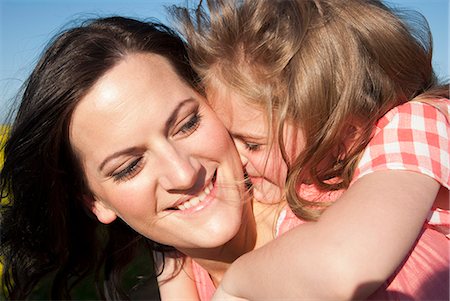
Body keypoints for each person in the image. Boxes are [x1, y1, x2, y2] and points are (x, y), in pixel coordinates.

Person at [172, 0, 449, 299]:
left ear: (345, 133)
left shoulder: (417, 124)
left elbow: (343, 264)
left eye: (252, 144)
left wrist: (237, 281)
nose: (236, 158)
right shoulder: (309, 180)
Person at [0, 16, 284, 300]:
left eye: (187, 124)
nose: (183, 174)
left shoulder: (318, 222)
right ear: (95, 202)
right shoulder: (179, 265)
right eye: (130, 167)